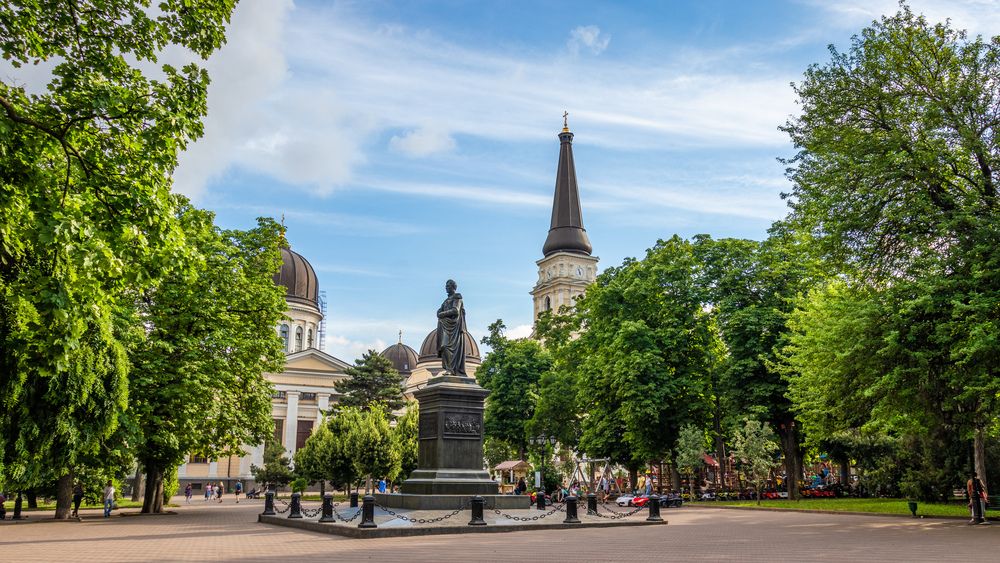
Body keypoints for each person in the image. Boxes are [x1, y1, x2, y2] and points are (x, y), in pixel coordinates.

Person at [436, 279, 468, 376]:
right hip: (445, 326)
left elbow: (455, 311)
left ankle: (451, 370)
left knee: (446, 346)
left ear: (453, 287)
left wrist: (442, 314)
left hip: (454, 328)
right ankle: (449, 368)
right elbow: (438, 312)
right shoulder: (446, 301)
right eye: (446, 285)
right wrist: (440, 313)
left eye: (448, 285)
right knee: (443, 346)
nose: (446, 287)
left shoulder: (457, 297)